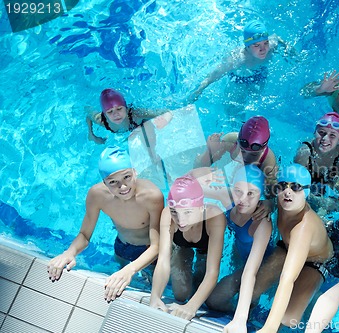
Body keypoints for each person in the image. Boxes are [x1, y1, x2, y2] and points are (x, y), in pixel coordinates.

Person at [47, 146, 164, 302]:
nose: (122, 186)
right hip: (121, 245)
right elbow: (85, 234)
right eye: (113, 182)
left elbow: (157, 245)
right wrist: (69, 252)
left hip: (148, 252)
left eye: (127, 177)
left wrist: (131, 270)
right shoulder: (97, 195)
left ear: (135, 172)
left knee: (149, 286)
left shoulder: (152, 196)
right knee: (116, 276)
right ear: (104, 182)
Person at [253, 164, 333, 333]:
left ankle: (314, 297)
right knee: (254, 290)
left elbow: (286, 279)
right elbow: (275, 199)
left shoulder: (303, 228)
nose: (287, 192)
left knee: (289, 319)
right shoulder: (284, 200)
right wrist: (269, 204)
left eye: (296, 187)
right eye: (282, 186)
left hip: (315, 261)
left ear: (307, 192)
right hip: (288, 247)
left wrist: (269, 328)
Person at [203, 165, 273, 333]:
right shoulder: (228, 198)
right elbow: (192, 185)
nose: (242, 200)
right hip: (240, 252)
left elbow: (250, 271)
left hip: (262, 263)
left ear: (261, 196)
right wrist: (208, 178)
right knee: (214, 301)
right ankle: (237, 310)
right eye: (238, 191)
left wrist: (239, 320)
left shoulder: (261, 223)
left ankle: (247, 314)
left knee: (215, 300)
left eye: (251, 194)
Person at [149, 175, 226, 320]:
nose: (180, 220)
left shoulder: (215, 217)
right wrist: (155, 297)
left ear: (201, 207)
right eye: (174, 212)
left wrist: (191, 307)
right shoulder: (167, 214)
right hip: (181, 246)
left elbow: (213, 272)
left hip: (206, 248)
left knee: (201, 285)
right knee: (181, 294)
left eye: (188, 212)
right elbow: (163, 259)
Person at [188, 21, 293, 124]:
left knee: (256, 106)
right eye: (256, 45)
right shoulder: (236, 59)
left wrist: (290, 51)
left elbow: (277, 38)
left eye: (265, 43)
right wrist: (198, 91)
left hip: (260, 75)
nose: (263, 49)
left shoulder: (271, 46)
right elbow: (211, 77)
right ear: (247, 46)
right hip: (238, 80)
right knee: (234, 113)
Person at [194, 115, 278, 219]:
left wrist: (269, 204)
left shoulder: (268, 160)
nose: (246, 158)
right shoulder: (230, 141)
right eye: (242, 151)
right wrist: (209, 151)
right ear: (237, 143)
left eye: (253, 155)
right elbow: (198, 168)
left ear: (262, 151)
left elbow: (273, 194)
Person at [86, 88, 174, 144]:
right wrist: (92, 135)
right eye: (110, 112)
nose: (115, 114)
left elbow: (167, 111)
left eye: (119, 109)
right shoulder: (102, 121)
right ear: (105, 114)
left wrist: (165, 120)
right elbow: (88, 114)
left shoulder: (137, 114)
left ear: (126, 108)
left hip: (141, 126)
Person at [294, 111, 339, 198]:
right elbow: (296, 186)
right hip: (309, 185)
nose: (325, 139)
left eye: (332, 135)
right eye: (321, 132)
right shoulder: (305, 153)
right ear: (314, 132)